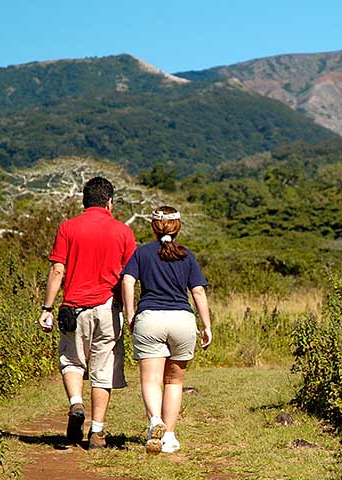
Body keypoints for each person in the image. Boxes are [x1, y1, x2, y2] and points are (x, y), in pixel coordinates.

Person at [38, 176, 136, 449]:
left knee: (71, 361)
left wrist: (47, 307)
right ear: (110, 202)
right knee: (103, 368)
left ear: (84, 201)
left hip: (73, 308)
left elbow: (58, 270)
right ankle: (97, 432)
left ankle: (75, 403)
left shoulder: (68, 228)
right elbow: (129, 277)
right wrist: (131, 312)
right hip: (108, 306)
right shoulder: (123, 232)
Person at [121, 205, 212, 454]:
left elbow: (127, 281)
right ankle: (169, 437)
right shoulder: (187, 255)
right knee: (174, 381)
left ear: (153, 226)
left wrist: (130, 314)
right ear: (178, 227)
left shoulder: (142, 253)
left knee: (151, 379)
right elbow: (198, 291)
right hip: (182, 320)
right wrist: (206, 325)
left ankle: (155, 421)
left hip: (150, 318)